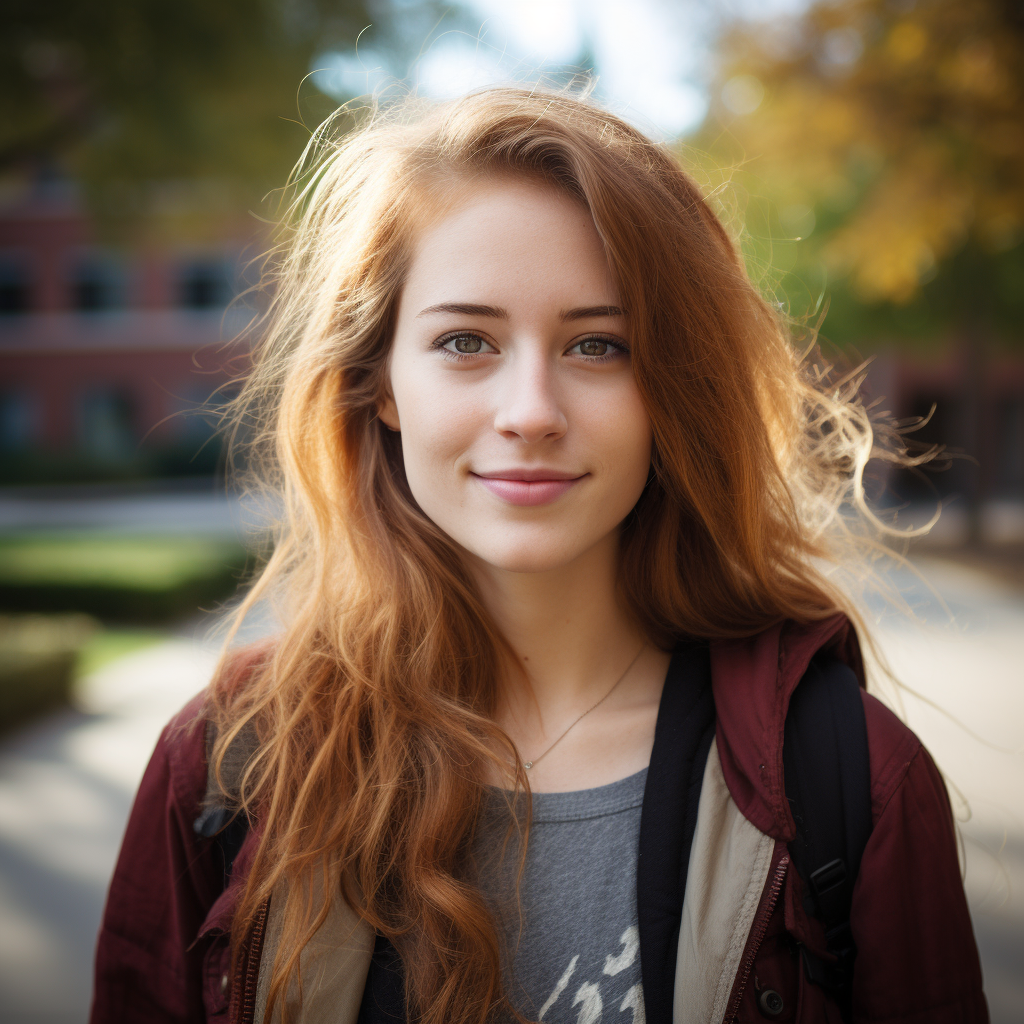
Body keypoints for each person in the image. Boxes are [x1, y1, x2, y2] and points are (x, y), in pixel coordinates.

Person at [89, 87, 987, 1024]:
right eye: (466, 341)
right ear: (379, 382)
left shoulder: (854, 785)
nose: (530, 411)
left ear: (672, 388)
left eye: (598, 344)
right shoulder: (225, 768)